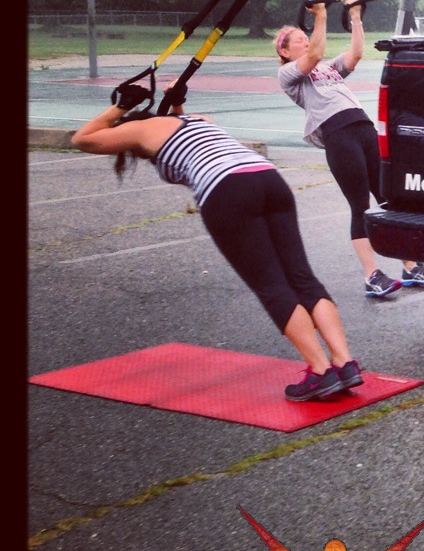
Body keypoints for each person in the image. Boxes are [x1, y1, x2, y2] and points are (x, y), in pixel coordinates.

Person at [71, 83, 364, 402]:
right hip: (268, 179)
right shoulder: (199, 121)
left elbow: (82, 139)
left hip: (227, 191)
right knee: (301, 277)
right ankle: (344, 363)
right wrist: (177, 104)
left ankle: (320, 371)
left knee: (272, 285)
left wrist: (121, 106)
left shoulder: (140, 129)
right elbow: (184, 134)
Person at [275, 0, 424, 297]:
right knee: (360, 206)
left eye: (305, 37)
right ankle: (372, 275)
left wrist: (355, 17)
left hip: (363, 127)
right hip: (338, 135)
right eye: (299, 39)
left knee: (388, 198)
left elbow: (355, 55)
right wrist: (321, 17)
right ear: (285, 52)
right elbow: (315, 53)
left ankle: (411, 266)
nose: (305, 41)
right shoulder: (289, 74)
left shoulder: (328, 69)